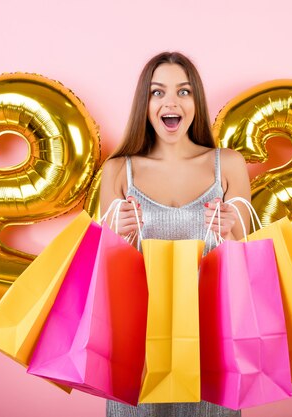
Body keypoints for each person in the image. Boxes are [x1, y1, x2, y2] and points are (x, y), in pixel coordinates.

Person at [99, 52, 251, 417]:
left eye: (183, 92)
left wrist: (231, 232)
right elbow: (105, 275)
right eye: (157, 92)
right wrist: (117, 236)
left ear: (196, 101)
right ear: (145, 103)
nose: (171, 102)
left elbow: (245, 268)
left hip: (211, 344)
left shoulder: (227, 164)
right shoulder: (120, 170)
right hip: (140, 349)